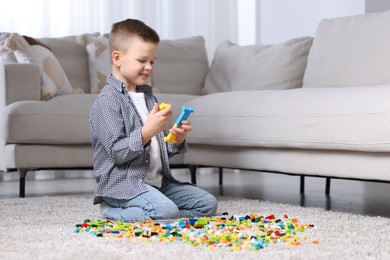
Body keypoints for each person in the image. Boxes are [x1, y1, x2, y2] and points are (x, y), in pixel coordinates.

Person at [88, 18, 218, 222]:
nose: (149, 67)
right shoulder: (107, 102)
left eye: (152, 61)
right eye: (142, 60)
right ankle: (110, 210)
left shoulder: (149, 98)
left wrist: (176, 140)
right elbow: (117, 153)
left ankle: (158, 210)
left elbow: (154, 152)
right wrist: (148, 131)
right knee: (166, 212)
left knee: (207, 205)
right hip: (123, 184)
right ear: (117, 58)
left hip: (157, 182)